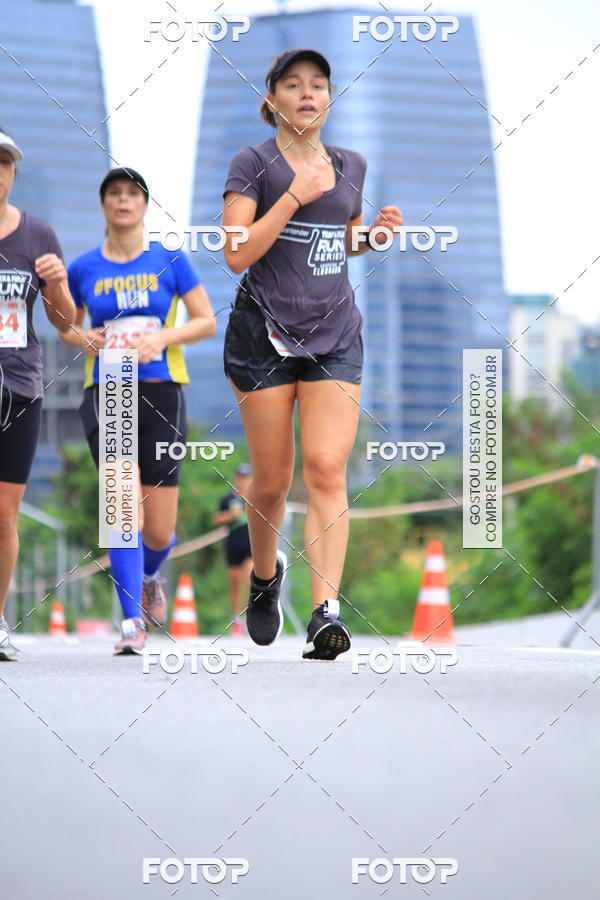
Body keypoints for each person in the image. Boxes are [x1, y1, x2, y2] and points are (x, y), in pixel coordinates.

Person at [221, 49, 403, 660]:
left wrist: (370, 236)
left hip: (334, 333)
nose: (307, 94)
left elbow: (333, 240)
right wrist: (294, 196)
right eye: (292, 85)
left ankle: (326, 612)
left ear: (329, 98)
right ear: (271, 99)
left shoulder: (352, 164)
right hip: (262, 336)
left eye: (318, 85)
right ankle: (266, 580)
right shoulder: (254, 163)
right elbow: (237, 252)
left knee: (326, 468)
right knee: (272, 481)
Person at [62, 167, 215, 655]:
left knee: (159, 527)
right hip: (111, 389)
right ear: (104, 204)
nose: (123, 201)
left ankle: (151, 576)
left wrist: (162, 337)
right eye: (114, 193)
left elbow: (206, 321)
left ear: (144, 205)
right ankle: (131, 623)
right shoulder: (84, 268)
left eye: (132, 194)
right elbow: (68, 325)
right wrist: (83, 337)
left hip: (163, 390)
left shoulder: (170, 259)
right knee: (121, 507)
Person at [0, 128, 77, 661]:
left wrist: (56, 285)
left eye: (3, 164)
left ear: (12, 175)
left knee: (5, 514)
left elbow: (64, 321)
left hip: (18, 384)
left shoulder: (38, 235)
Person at [213, 462, 253, 638]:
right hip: (233, 543)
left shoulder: (254, 497)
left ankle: (253, 616)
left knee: (250, 579)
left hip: (250, 545)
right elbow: (217, 518)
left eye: (246, 477)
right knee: (235, 583)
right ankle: (236, 619)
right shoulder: (228, 499)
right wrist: (231, 515)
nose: (243, 480)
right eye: (241, 477)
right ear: (236, 478)